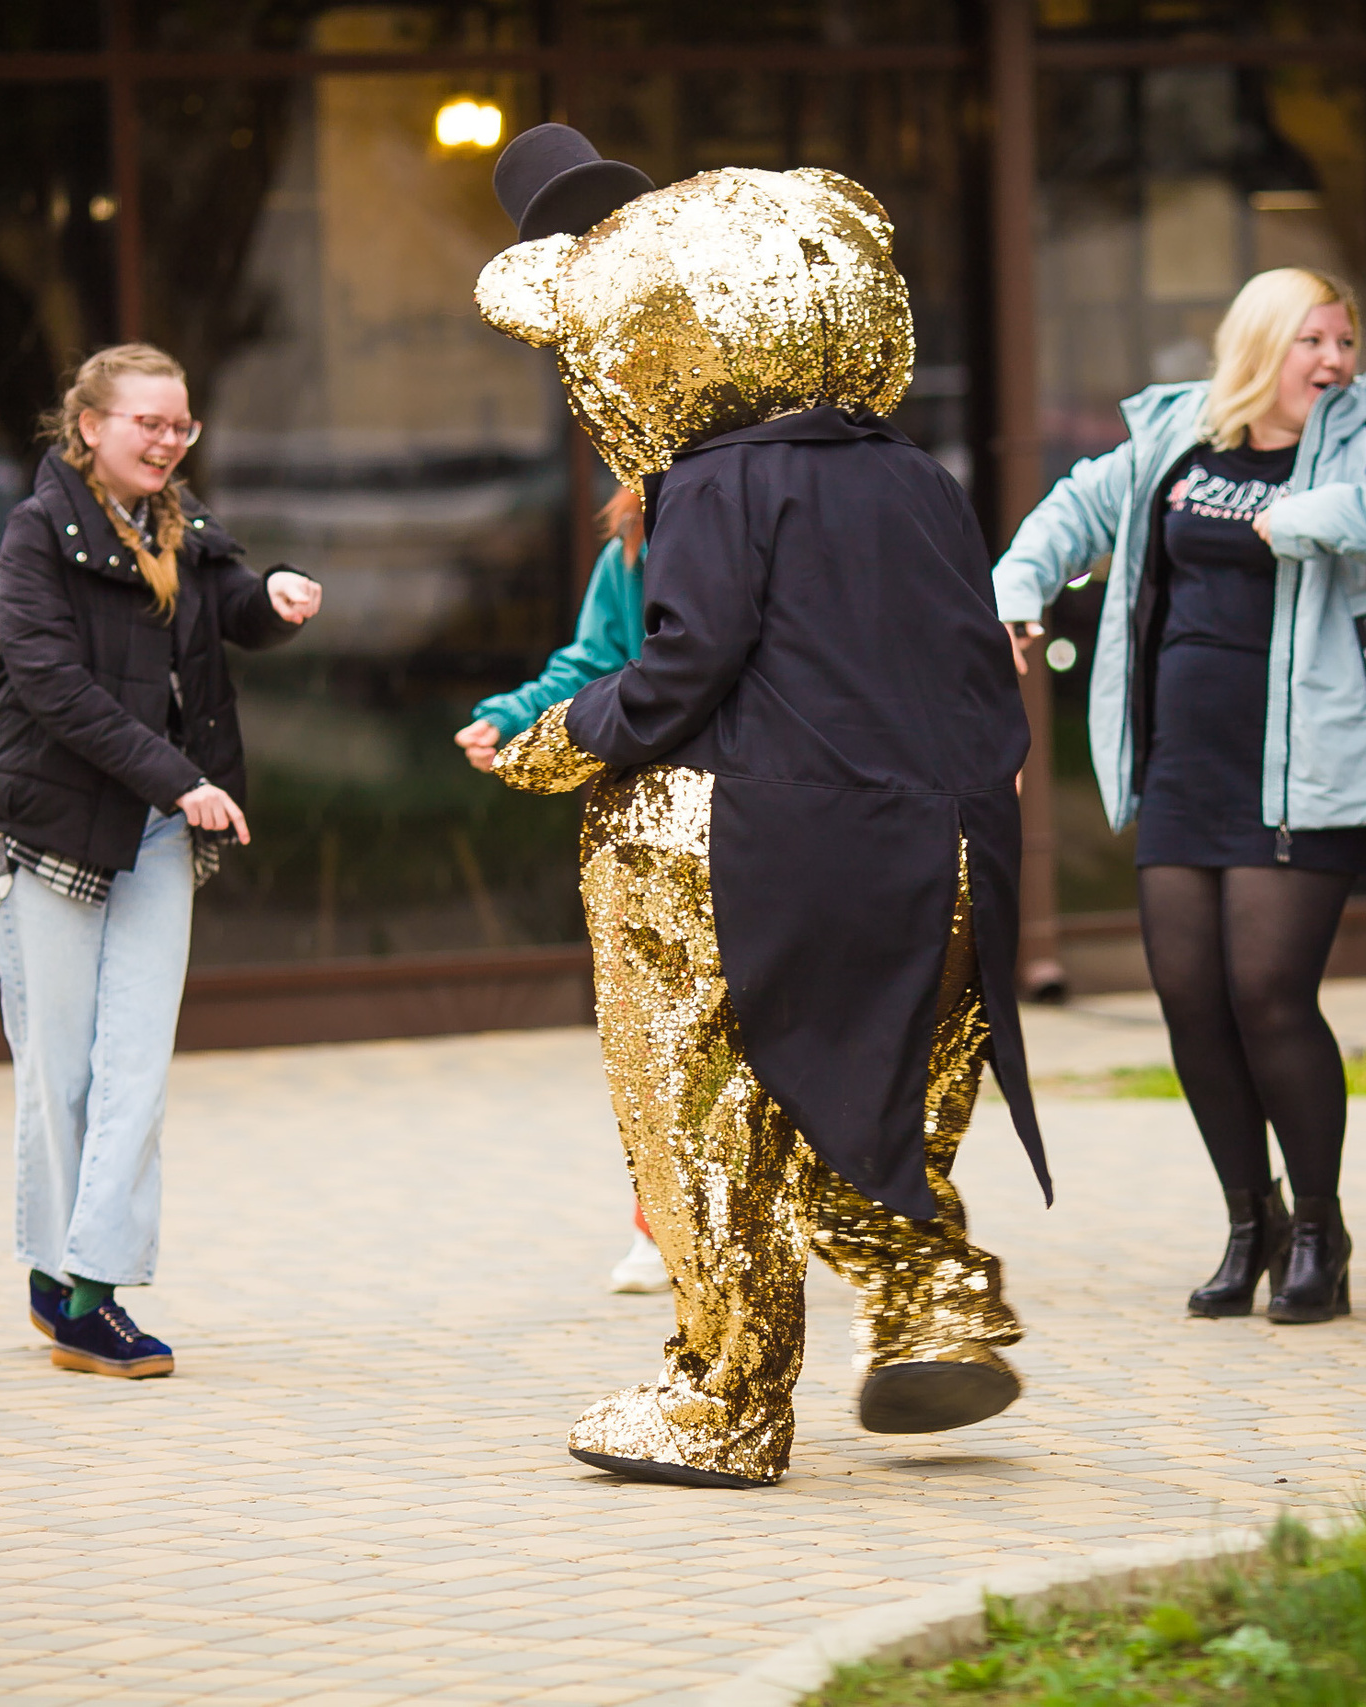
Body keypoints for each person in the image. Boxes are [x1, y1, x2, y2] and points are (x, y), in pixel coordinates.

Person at [477, 128, 1047, 1488]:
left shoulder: (715, 481)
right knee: (885, 1078)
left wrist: (564, 737)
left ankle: (726, 1392)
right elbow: (973, 666)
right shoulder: (918, 475)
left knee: (720, 1094)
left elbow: (684, 668)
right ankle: (932, 1302)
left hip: (779, 842)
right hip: (951, 842)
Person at [993, 267, 1366, 1324]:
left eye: (1343, 341)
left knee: (1266, 993)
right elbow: (1073, 510)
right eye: (1313, 342)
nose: (1334, 362)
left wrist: (1317, 514)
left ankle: (1321, 1230)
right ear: (1260, 345)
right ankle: (1250, 1223)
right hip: (1182, 764)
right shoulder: (1175, 436)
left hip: (1307, 769)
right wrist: (1017, 588)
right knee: (1191, 1003)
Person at [0, 343, 322, 1378]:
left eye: (182, 425)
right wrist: (177, 777)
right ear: (89, 426)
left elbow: (231, 612)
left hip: (161, 831)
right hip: (52, 829)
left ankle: (90, 1295)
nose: (168, 441)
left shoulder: (181, 524)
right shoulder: (38, 532)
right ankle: (55, 1270)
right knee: (61, 1070)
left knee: (133, 1068)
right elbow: (49, 682)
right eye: (148, 424)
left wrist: (277, 597)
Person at [453, 487, 667, 1295]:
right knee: (657, 1027)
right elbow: (593, 659)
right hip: (651, 814)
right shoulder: (632, 546)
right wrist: (515, 716)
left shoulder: (757, 511)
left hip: (763, 805)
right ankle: (662, 1224)